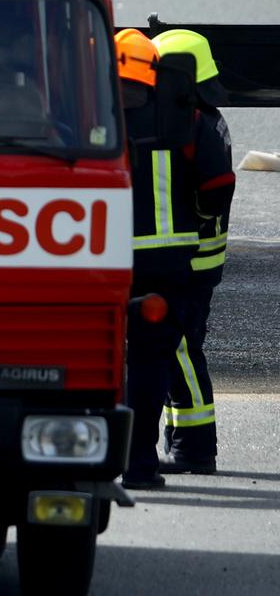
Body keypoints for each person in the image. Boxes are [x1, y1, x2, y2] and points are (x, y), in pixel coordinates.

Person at [115, 29, 196, 490]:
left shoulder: (85, 113)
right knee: (149, 365)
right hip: (164, 268)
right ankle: (140, 464)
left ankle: (84, 458)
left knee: (97, 362)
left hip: (100, 265)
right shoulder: (183, 119)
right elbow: (215, 185)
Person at [152, 29, 236, 475]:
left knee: (179, 351)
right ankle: (182, 440)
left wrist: (196, 216)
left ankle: (194, 447)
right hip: (201, 259)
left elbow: (216, 189)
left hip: (190, 260)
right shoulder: (206, 115)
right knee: (180, 350)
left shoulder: (194, 124)